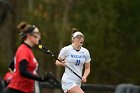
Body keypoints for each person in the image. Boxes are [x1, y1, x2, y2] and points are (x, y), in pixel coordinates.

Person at [5, 21, 49, 93]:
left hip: (24, 90)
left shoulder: (27, 50)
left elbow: (13, 66)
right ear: (29, 36)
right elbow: (23, 71)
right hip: (16, 90)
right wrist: (41, 78)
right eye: (37, 34)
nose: (39, 36)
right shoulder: (24, 50)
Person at [55, 28, 91, 93]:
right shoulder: (66, 49)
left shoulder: (85, 52)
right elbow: (57, 62)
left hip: (78, 82)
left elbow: (87, 68)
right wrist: (62, 64)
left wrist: (84, 76)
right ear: (73, 39)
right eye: (78, 37)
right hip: (67, 80)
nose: (81, 39)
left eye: (82, 37)